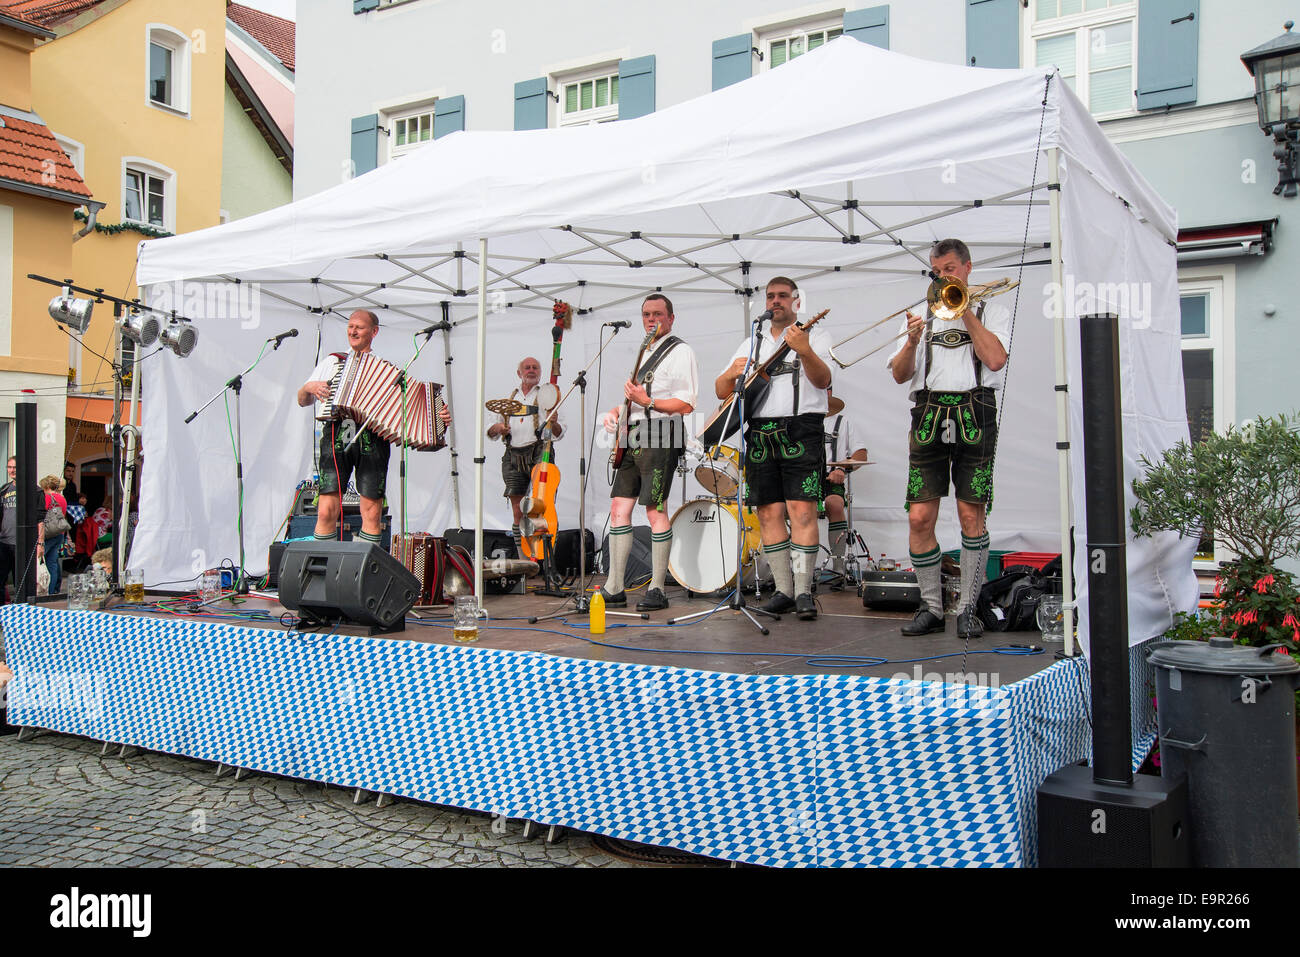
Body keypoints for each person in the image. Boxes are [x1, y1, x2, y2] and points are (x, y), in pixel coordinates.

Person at [888, 238, 1010, 638]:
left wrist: (966, 310)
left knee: (971, 513)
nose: (943, 279)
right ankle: (932, 607)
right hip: (928, 414)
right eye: (937, 272)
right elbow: (900, 374)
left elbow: (994, 359)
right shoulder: (919, 315)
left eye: (950, 271)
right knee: (919, 515)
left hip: (976, 412)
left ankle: (969, 608)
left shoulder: (994, 308)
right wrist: (910, 340)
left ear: (968, 268)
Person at [714, 277, 833, 621]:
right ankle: (784, 590)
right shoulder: (751, 342)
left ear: (796, 301)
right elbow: (720, 389)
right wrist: (733, 373)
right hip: (761, 432)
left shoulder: (816, 335)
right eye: (771, 296)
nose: (776, 301)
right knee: (767, 513)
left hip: (801, 428)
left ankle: (804, 590)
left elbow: (823, 381)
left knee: (803, 511)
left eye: (783, 296)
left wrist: (805, 349)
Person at [297, 309, 451, 546]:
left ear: (374, 332)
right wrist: (309, 388)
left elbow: (411, 409)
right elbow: (302, 400)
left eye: (359, 327)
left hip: (373, 434)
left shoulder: (388, 373)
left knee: (371, 510)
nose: (353, 331)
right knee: (327, 508)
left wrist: (438, 416)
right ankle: (322, 564)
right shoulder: (333, 361)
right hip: (337, 430)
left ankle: (365, 573)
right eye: (350, 327)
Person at [600, 294, 699, 612]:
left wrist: (647, 402)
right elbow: (638, 398)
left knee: (656, 509)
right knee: (619, 507)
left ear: (671, 317)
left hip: (662, 433)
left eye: (658, 314)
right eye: (646, 314)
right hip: (633, 434)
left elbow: (686, 403)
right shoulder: (644, 351)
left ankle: (657, 587)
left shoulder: (681, 351)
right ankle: (614, 585)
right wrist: (617, 411)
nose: (651, 319)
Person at [488, 356, 563, 557]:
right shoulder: (509, 398)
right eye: (527, 368)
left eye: (535, 368)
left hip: (539, 451)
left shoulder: (548, 396)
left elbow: (560, 432)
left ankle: (542, 556)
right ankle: (524, 559)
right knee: (517, 511)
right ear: (519, 373)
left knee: (541, 505)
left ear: (540, 372)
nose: (531, 371)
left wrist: (553, 421)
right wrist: (497, 428)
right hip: (513, 453)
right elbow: (490, 430)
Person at [821, 389, 867, 586]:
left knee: (835, 504)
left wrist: (841, 468)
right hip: (801, 478)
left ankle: (838, 567)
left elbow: (861, 454)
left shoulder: (843, 422)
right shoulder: (795, 418)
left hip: (830, 479)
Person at [0, 457, 46, 605]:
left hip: (23, 543)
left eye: (15, 467)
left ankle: (21, 611)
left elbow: (40, 519)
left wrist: (40, 543)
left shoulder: (35, 491)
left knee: (21, 583)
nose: (12, 470)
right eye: (10, 467)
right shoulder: (4, 489)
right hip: (4, 541)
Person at [39, 475, 69, 594]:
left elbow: (41, 515)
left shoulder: (47, 497)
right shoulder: (62, 498)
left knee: (41, 562)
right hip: (59, 533)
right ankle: (52, 590)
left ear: (46, 486)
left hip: (48, 534)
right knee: (52, 562)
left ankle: (44, 589)